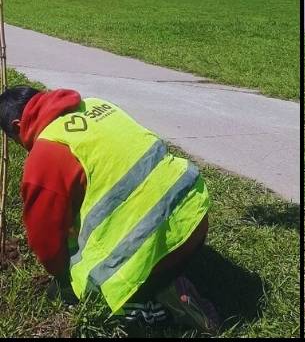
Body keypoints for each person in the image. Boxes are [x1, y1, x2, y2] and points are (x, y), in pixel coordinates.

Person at [0, 85, 219, 333]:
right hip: (194, 216)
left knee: (89, 289)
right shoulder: (96, 105)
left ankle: (162, 306)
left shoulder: (45, 152)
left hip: (157, 251)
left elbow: (46, 244)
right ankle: (164, 276)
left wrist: (64, 280)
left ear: (18, 126)